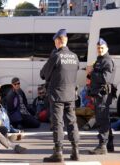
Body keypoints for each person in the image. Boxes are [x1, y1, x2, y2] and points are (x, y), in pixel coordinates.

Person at [40, 29, 80, 162]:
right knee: (72, 122)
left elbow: (44, 74)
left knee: (58, 123)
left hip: (57, 95)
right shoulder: (74, 56)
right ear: (66, 41)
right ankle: (76, 151)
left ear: (58, 41)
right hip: (71, 95)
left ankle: (58, 152)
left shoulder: (56, 56)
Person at [88, 38, 116, 155]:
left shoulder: (107, 61)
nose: (100, 50)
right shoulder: (100, 60)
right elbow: (96, 78)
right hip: (99, 94)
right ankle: (109, 144)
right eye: (98, 48)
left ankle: (102, 145)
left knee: (102, 120)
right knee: (104, 119)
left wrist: (92, 73)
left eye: (102, 48)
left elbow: (105, 78)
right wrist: (91, 75)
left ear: (107, 48)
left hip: (103, 95)